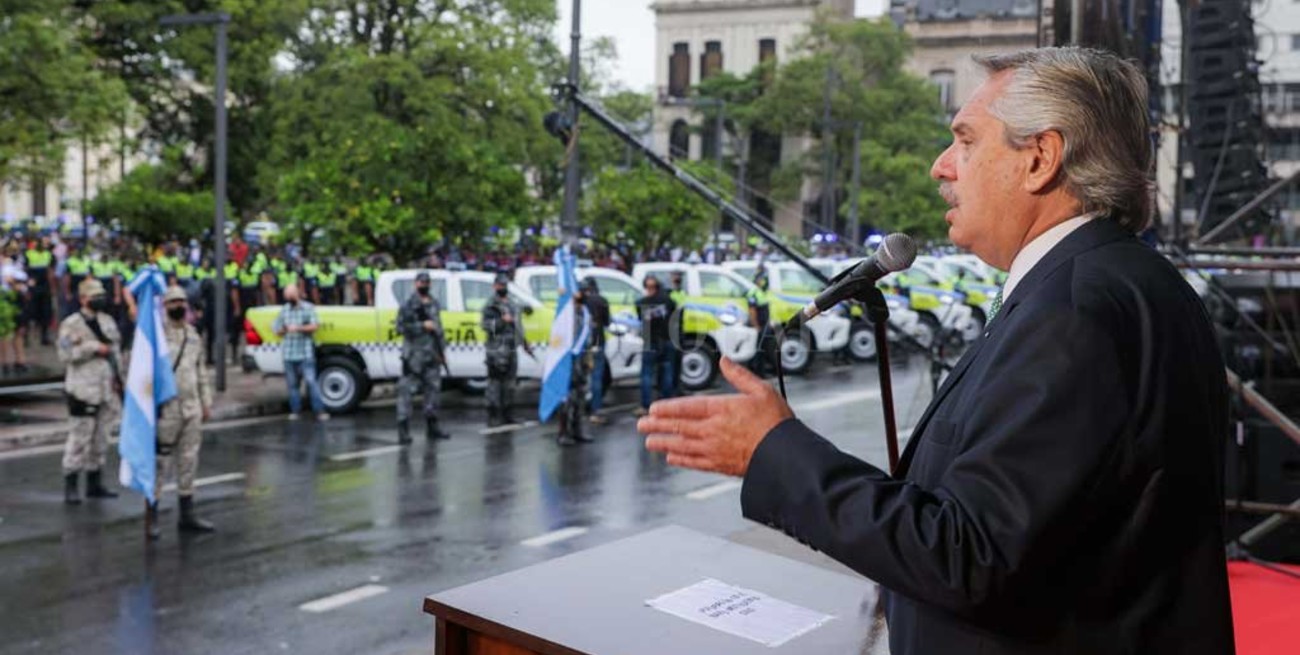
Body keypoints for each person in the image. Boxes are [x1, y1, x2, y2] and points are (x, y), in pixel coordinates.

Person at [640, 48, 1234, 655]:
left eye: (966, 141)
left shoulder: (1075, 311)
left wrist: (773, 451)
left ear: (1040, 159)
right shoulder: (1117, 280)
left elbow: (969, 556)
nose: (940, 166)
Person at [146, 286, 216, 539]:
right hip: (167, 408)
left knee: (188, 460)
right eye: (174, 302)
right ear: (164, 306)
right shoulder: (156, 337)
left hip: (191, 406)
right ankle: (151, 515)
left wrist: (205, 402)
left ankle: (187, 514)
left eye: (182, 302)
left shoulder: (193, 335)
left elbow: (200, 372)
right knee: (160, 463)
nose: (179, 306)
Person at [58, 278, 122, 505]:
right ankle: (71, 483)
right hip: (82, 390)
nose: (99, 300)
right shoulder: (71, 324)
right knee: (79, 438)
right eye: (94, 296)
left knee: (101, 437)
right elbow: (65, 355)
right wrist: (92, 347)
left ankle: (95, 482)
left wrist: (119, 380)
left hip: (106, 388)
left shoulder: (108, 322)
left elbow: (116, 353)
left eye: (101, 296)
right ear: (83, 298)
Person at [396, 271, 449, 442]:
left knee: (433, 392)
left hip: (432, 355)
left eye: (427, 282)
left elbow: (438, 328)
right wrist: (421, 325)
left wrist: (442, 352)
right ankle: (403, 429)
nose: (424, 285)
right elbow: (400, 328)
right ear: (415, 283)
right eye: (421, 282)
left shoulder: (434, 303)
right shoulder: (408, 305)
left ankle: (432, 427)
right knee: (407, 393)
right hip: (414, 357)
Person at [481, 273, 533, 427]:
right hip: (496, 349)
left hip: (511, 348)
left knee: (510, 384)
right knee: (495, 384)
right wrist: (501, 321)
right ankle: (493, 415)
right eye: (500, 286)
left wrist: (524, 342)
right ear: (495, 286)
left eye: (505, 285)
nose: (503, 288)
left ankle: (508, 413)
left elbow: (517, 324)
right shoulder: (491, 305)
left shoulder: (511, 303)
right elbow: (486, 326)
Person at [272, 283, 328, 421]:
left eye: (291, 296)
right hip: (289, 353)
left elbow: (315, 325)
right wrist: (284, 329)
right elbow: (276, 328)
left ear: (297, 294)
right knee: (292, 385)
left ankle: (319, 410)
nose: (289, 299)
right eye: (287, 296)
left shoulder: (307, 308)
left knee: (311, 382)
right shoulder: (284, 310)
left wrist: (298, 328)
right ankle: (295, 410)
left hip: (305, 352)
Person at [634, 275, 675, 416]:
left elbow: (641, 318)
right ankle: (667, 405)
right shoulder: (668, 301)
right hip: (666, 339)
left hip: (649, 341)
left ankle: (646, 406)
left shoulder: (640, 303)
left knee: (646, 374)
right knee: (667, 373)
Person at [557, 286, 592, 446]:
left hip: (581, 362)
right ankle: (564, 433)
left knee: (580, 398)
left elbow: (588, 340)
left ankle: (577, 431)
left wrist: (589, 358)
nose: (583, 294)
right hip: (568, 362)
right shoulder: (565, 314)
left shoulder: (584, 313)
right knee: (566, 400)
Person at [582, 277, 611, 425]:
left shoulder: (580, 301)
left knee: (580, 377)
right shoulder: (602, 300)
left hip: (581, 344)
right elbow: (607, 322)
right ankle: (595, 410)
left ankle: (578, 407)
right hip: (598, 342)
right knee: (597, 377)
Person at [745, 268, 776, 376]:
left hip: (765, 325)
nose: (763, 281)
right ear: (757, 280)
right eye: (762, 279)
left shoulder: (761, 292)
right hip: (759, 326)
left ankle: (761, 371)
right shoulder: (753, 292)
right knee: (759, 350)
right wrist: (756, 326)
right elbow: (752, 311)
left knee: (764, 349)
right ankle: (757, 372)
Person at [26, 238, 55, 345]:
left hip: (45, 288)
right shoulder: (28, 254)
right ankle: (26, 337)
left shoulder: (48, 255)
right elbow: (24, 269)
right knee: (30, 312)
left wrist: (52, 288)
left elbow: (51, 272)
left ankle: (44, 336)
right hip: (32, 288)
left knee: (45, 312)